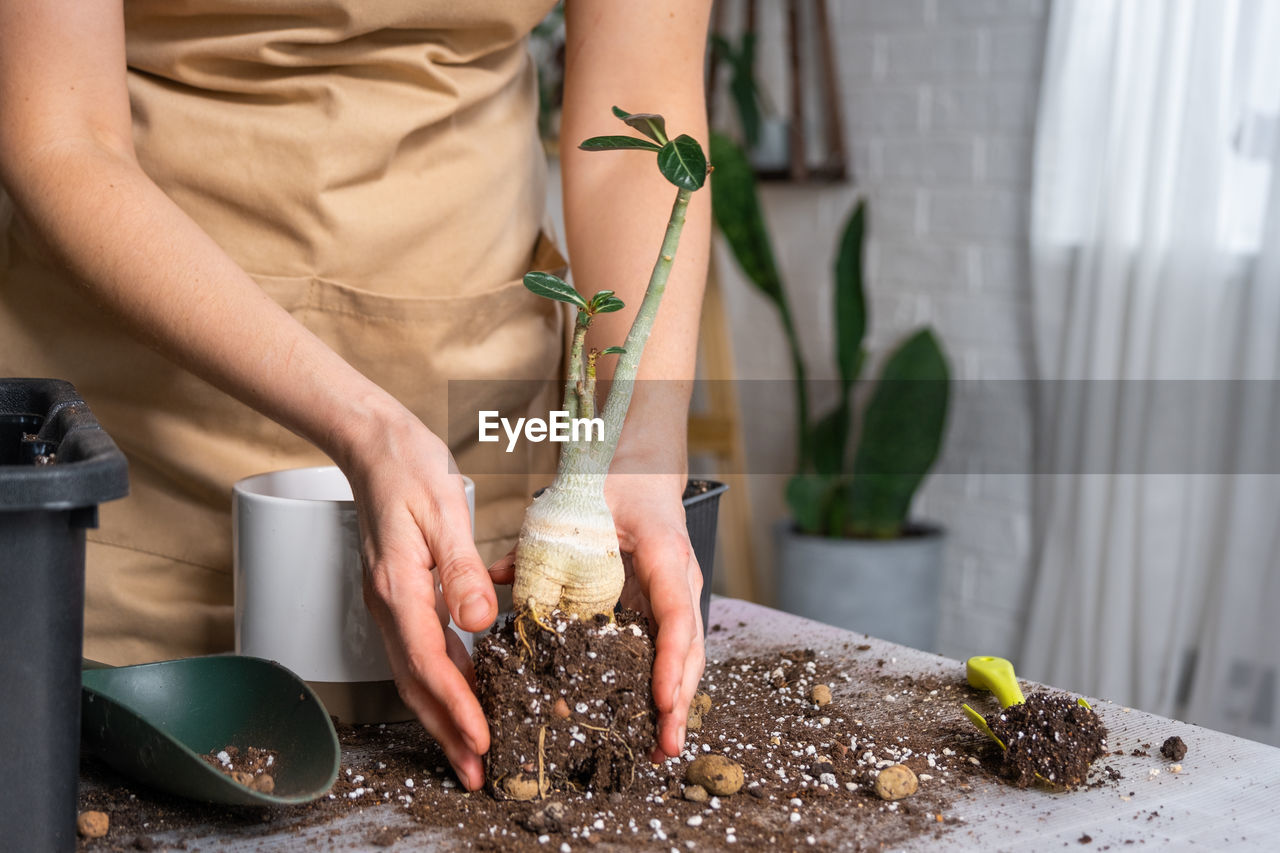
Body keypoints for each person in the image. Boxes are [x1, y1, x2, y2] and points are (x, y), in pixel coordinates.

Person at [0, 0, 712, 791]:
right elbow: (62, 138)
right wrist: (367, 427)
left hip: (474, 456)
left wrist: (639, 445)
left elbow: (642, 102)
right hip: (142, 471)